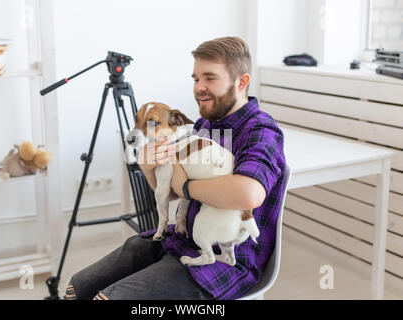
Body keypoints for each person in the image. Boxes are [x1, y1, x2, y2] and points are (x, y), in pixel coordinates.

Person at [64, 36, 287, 300]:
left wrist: (185, 185)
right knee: (77, 288)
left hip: (224, 260)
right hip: (181, 240)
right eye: (196, 79)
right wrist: (149, 168)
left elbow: (249, 194)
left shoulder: (260, 130)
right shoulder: (205, 125)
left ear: (241, 81)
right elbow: (170, 194)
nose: (199, 87)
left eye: (210, 78)